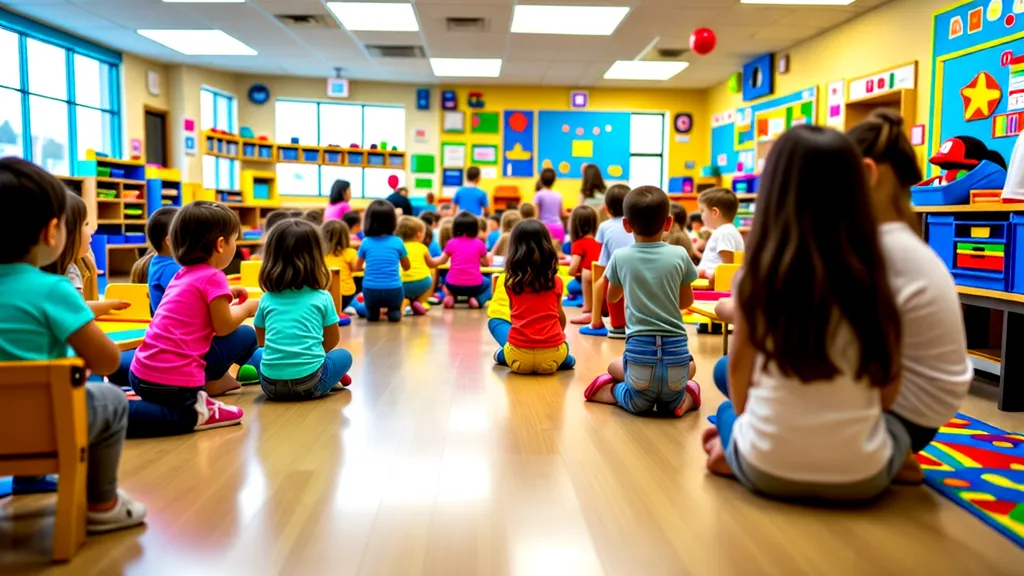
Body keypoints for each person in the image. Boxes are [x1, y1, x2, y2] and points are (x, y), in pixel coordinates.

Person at [703, 125, 910, 502]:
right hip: (863, 478)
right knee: (896, 433)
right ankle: (900, 463)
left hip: (767, 468)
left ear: (773, 194)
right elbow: (889, 388)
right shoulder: (878, 273)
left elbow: (739, 372)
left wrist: (748, 424)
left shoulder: (756, 278)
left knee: (727, 410)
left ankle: (730, 451)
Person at [0, 157, 147, 532]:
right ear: (53, 231)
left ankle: (27, 480)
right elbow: (106, 360)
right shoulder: (54, 289)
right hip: (46, 425)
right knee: (111, 399)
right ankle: (102, 503)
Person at [848, 109, 973, 482]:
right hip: (931, 411)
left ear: (868, 175)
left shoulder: (876, 250)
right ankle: (892, 448)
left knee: (733, 374)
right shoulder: (908, 241)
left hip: (902, 412)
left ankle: (888, 448)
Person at [127, 201, 259, 437]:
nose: (234, 246)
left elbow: (194, 309)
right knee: (183, 418)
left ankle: (199, 401)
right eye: (233, 240)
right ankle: (120, 412)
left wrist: (225, 295)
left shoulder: (181, 274)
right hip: (174, 384)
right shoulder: (213, 276)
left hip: (139, 374)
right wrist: (248, 308)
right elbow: (223, 326)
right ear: (220, 244)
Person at [583, 186, 700, 417]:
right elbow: (685, 301)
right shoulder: (680, 255)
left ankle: (615, 391)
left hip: (640, 356)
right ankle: (684, 400)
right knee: (690, 369)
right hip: (676, 360)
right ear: (668, 223)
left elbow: (612, 297)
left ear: (626, 225)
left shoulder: (621, 257)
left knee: (616, 371)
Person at [247, 219, 353, 400]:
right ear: (317, 258)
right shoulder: (323, 297)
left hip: (270, 387)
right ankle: (329, 378)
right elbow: (332, 340)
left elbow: (262, 341)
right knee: (344, 356)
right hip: (311, 383)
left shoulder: (266, 299)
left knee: (257, 353)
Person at [495, 219, 576, 374]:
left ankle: (501, 355)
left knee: (504, 349)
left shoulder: (510, 283)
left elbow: (514, 317)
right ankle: (558, 359)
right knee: (568, 356)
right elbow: (560, 318)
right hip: (551, 356)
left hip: (518, 358)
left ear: (514, 250)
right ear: (547, 248)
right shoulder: (556, 282)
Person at [43, 191, 130, 317]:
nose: (91, 231)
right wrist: (108, 305)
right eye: (86, 224)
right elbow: (76, 311)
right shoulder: (69, 270)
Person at [581, 184, 633, 339]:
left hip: (617, 273)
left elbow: (603, 260)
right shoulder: (636, 224)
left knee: (599, 281)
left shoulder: (604, 226)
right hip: (638, 271)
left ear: (606, 208)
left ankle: (596, 321)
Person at [355, 199, 410, 322]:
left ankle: (373, 313)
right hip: (394, 290)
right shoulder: (398, 242)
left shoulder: (365, 242)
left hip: (371, 291)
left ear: (368, 220)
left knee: (372, 316)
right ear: (393, 221)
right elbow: (407, 266)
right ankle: (394, 312)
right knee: (395, 314)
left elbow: (356, 267)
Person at [436, 211, 490, 309]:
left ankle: (450, 296)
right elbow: (486, 263)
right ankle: (477, 300)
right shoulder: (479, 243)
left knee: (447, 277)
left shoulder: (451, 243)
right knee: (488, 282)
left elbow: (441, 261)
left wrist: (429, 261)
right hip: (475, 285)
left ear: (455, 228)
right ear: (475, 228)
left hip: (453, 285)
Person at [696, 188, 744, 281]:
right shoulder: (726, 231)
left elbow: (728, 266)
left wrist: (707, 276)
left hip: (712, 283)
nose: (701, 216)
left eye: (702, 211)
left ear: (715, 212)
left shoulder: (724, 232)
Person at [566, 205, 601, 326]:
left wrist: (570, 272)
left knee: (571, 286)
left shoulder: (578, 243)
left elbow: (572, 269)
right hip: (602, 278)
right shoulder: (599, 242)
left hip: (587, 279)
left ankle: (587, 309)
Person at [396, 215, 437, 315]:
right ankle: (419, 302)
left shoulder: (398, 247)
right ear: (419, 235)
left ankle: (404, 301)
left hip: (401, 284)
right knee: (431, 278)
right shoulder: (422, 247)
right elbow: (431, 263)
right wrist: (441, 260)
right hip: (422, 283)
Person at [322, 219, 359, 310]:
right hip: (346, 295)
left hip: (324, 295)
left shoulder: (319, 254)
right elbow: (356, 268)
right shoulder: (350, 253)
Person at [533, 168, 568, 248]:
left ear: (541, 179)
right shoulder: (558, 195)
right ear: (554, 180)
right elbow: (563, 213)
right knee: (557, 255)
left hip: (544, 228)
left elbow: (536, 216)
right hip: (558, 228)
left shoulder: (538, 195)